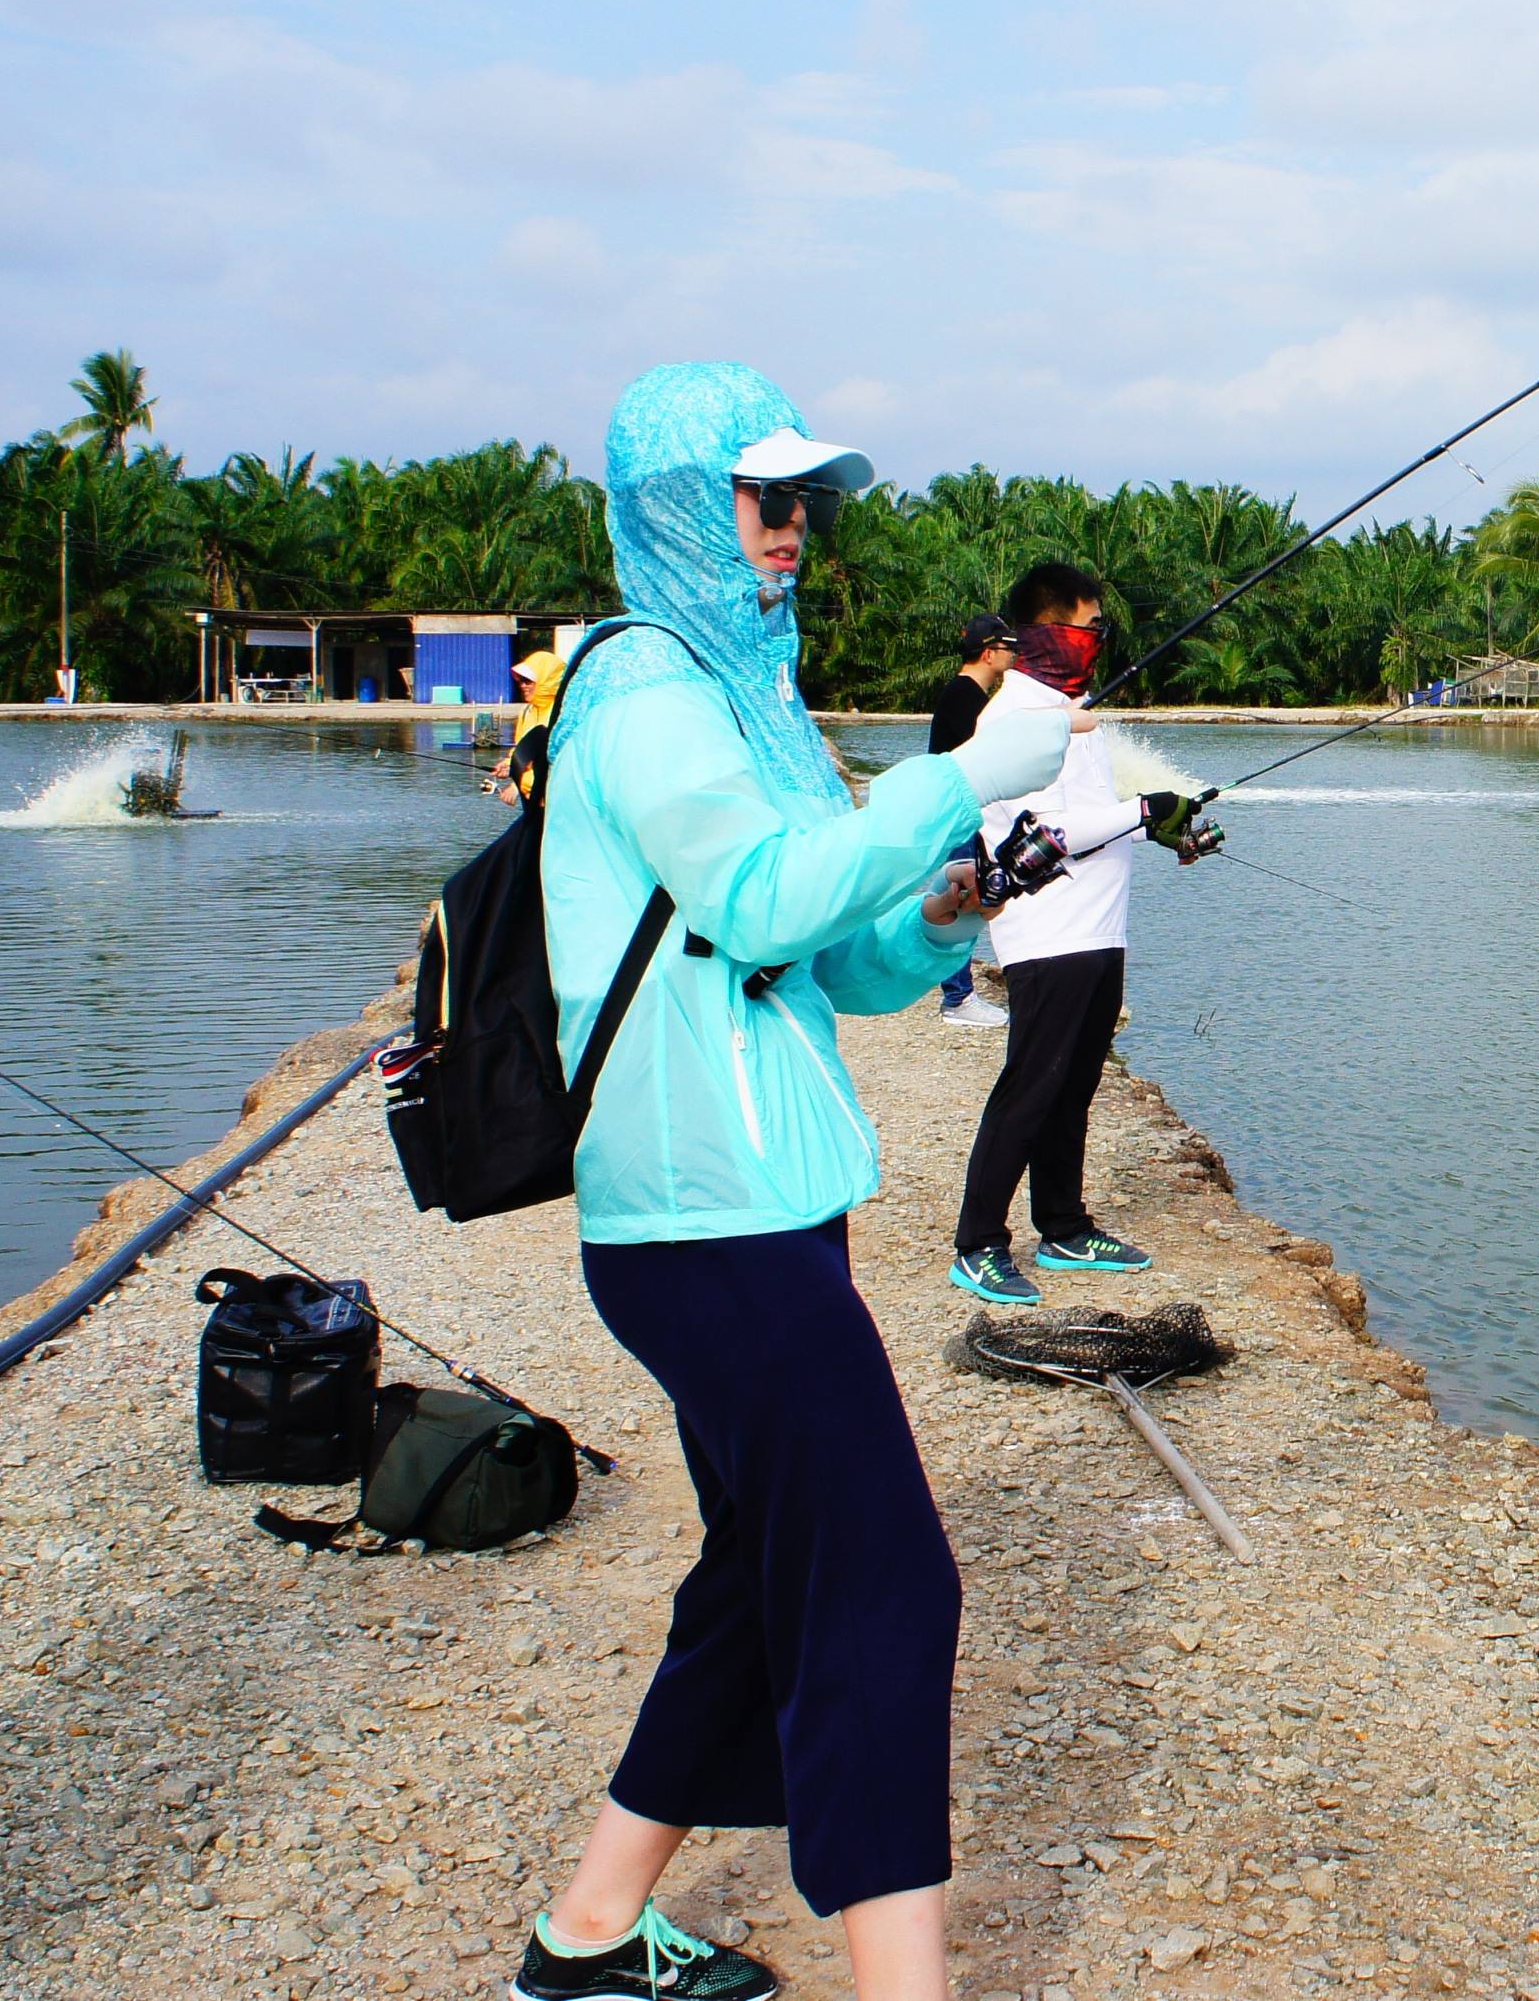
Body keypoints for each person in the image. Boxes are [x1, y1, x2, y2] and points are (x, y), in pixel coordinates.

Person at [516, 361, 1070, 2001]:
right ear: (686, 505)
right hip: (703, 1230)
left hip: (766, 1210)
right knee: (886, 1575)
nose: (795, 531)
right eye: (765, 501)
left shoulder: (746, 700)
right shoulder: (646, 695)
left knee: (769, 1575)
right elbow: (754, 897)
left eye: (807, 502)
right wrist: (962, 772)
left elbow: (831, 968)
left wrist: (942, 908)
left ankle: (586, 1936)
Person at [946, 561, 1218, 1306]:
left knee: (1075, 1087)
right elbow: (1050, 830)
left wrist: (1163, 825)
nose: (1096, 640)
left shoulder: (1075, 713)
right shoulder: (1011, 722)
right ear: (1040, 633)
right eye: (1085, 627)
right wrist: (1141, 809)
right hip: (1048, 934)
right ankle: (977, 1244)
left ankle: (1063, 1224)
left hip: (1100, 932)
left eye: (1099, 628)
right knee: (1029, 1088)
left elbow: (1095, 809)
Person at [930, 615, 1018, 1026]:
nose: (1014, 655)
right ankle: (958, 999)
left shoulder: (967, 696)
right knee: (962, 901)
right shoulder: (966, 699)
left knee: (968, 899)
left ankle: (959, 995)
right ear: (989, 652)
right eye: (1008, 647)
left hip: (962, 815)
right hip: (957, 817)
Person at [488, 645, 567, 805]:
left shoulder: (561, 715)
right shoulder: (527, 712)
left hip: (555, 807)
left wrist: (516, 787)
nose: (522, 685)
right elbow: (521, 752)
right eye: (520, 680)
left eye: (528, 681)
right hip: (532, 802)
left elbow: (558, 766)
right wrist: (509, 766)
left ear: (547, 681)